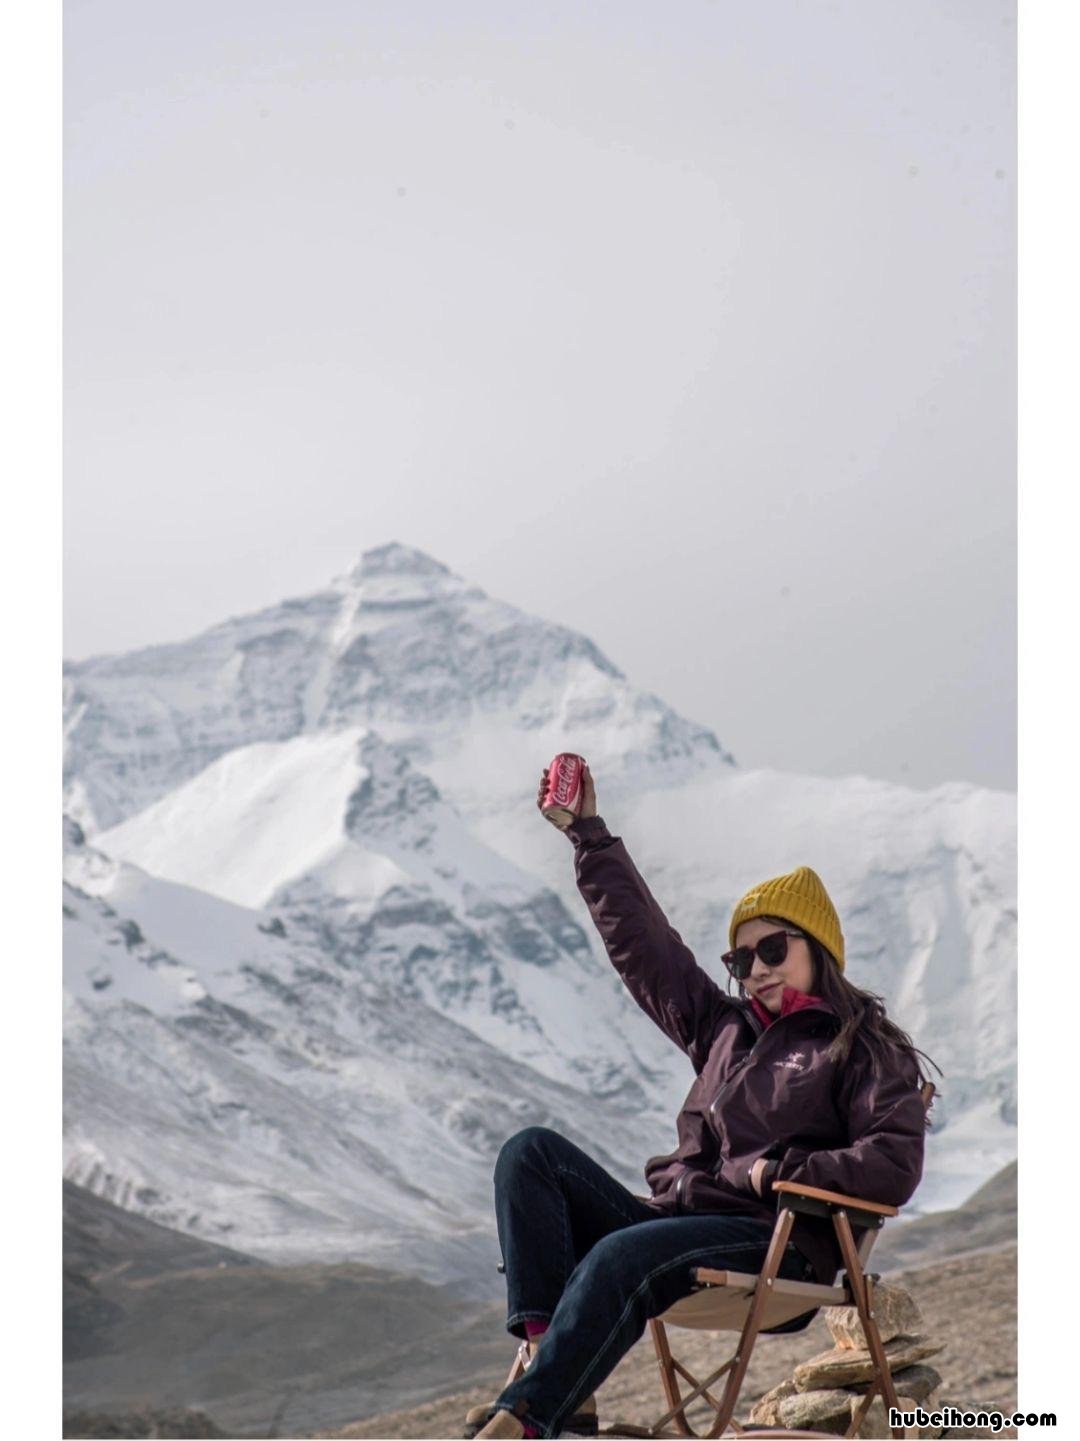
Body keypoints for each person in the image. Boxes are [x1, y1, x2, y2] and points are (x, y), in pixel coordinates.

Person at [466, 763, 939, 1440]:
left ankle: (527, 1417)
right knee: (531, 1155)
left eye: (773, 948)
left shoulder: (861, 1046)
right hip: (679, 1220)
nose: (757, 969)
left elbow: (892, 1163)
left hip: (778, 1243)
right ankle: (552, 1372)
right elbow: (645, 947)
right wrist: (588, 836)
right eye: (742, 960)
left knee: (622, 1254)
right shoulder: (723, 1027)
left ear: (819, 948)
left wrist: (779, 1171)